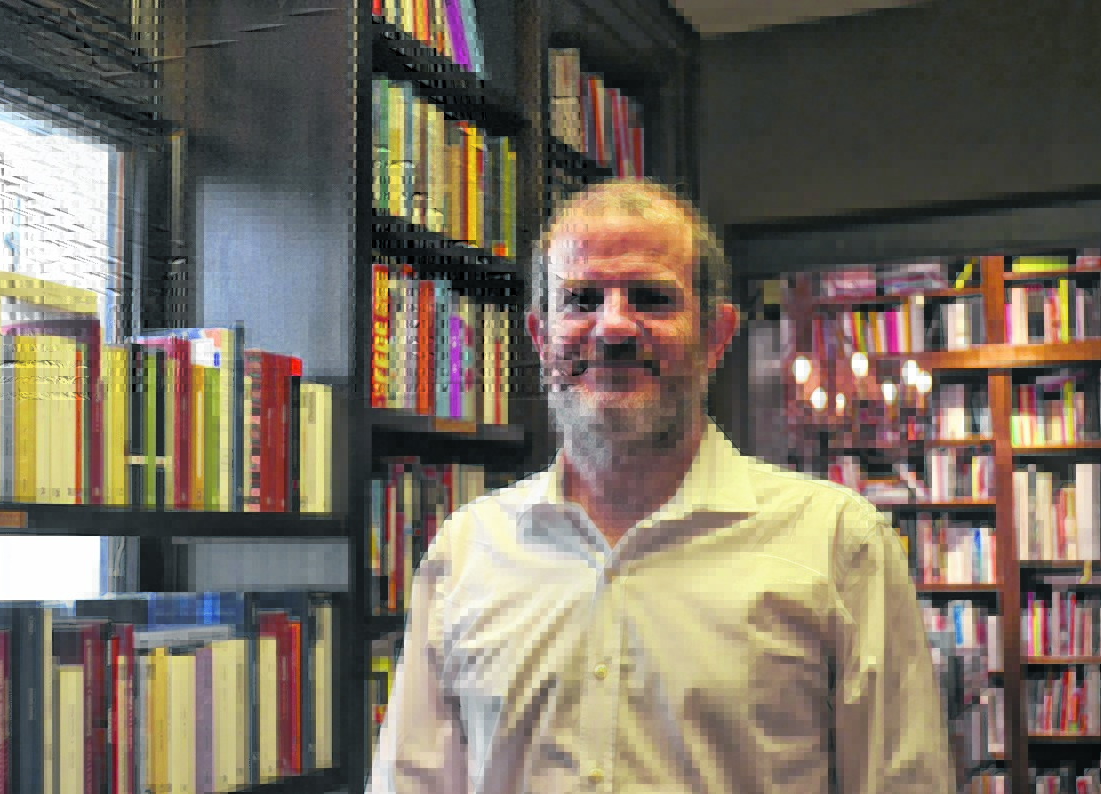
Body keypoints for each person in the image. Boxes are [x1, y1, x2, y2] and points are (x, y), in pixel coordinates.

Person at [367, 178, 956, 793]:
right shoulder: (466, 552)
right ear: (540, 338)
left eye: (651, 298)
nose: (613, 327)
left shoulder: (839, 546)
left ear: (716, 337)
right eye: (581, 299)